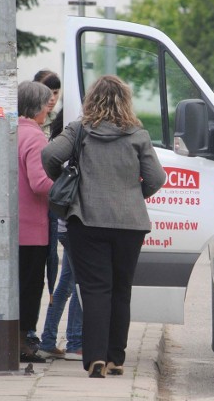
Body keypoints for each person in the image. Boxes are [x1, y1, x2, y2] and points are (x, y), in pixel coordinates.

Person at [42, 75, 166, 378]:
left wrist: (67, 180)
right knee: (121, 291)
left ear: (91, 99)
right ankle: (116, 359)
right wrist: (135, 196)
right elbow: (157, 178)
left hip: (87, 220)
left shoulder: (79, 129)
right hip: (130, 224)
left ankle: (94, 357)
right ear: (125, 100)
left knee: (96, 290)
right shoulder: (137, 134)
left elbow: (49, 155)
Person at [38, 109, 84, 361]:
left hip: (65, 225)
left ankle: (47, 339)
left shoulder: (63, 144)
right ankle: (75, 341)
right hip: (73, 225)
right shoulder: (74, 143)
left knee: (67, 283)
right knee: (79, 284)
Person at [15, 80, 54, 363]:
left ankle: (7, 339)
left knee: (10, 286)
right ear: (38, 107)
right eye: (47, 104)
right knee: (29, 288)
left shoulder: (4, 132)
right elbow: (40, 183)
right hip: (30, 228)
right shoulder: (35, 136)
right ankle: (22, 344)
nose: (48, 109)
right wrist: (66, 184)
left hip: (4, 226)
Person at [30, 70, 62, 350]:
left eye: (56, 93)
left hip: (49, 206)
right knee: (36, 270)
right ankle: (31, 333)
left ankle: (42, 334)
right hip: (38, 203)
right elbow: (39, 180)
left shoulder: (58, 122)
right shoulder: (32, 129)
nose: (51, 99)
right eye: (47, 93)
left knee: (51, 266)